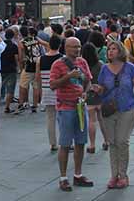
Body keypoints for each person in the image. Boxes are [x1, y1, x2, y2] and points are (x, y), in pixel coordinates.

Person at [95, 40, 134, 189]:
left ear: (120, 51)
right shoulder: (104, 69)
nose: (110, 51)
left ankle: (123, 175)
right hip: (109, 109)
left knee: (122, 141)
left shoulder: (130, 69)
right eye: (109, 49)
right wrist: (97, 90)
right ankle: (114, 175)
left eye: (114, 49)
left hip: (127, 109)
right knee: (112, 142)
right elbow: (102, 87)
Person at [49, 36, 93, 192]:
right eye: (74, 47)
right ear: (65, 48)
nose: (77, 49)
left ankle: (78, 174)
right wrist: (68, 77)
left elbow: (88, 81)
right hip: (66, 107)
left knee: (81, 142)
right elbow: (53, 85)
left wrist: (86, 93)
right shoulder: (58, 64)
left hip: (80, 107)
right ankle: (63, 177)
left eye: (79, 46)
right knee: (65, 143)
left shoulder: (83, 62)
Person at [38, 34, 63, 152]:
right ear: (60, 45)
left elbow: (38, 77)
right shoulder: (62, 59)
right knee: (63, 117)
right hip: (60, 90)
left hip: (46, 89)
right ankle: (65, 141)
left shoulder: (41, 59)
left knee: (50, 117)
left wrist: (39, 90)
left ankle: (53, 143)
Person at [18, 27, 41, 113]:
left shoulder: (23, 42)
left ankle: (21, 103)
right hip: (37, 65)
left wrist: (21, 67)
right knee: (35, 86)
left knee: (22, 85)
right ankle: (35, 105)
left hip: (28, 67)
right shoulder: (37, 40)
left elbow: (21, 57)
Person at [0, 28, 20, 114]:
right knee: (10, 89)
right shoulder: (14, 46)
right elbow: (16, 58)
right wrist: (18, 67)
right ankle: (7, 107)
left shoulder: (1, 45)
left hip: (1, 68)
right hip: (11, 69)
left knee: (1, 86)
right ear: (12, 36)